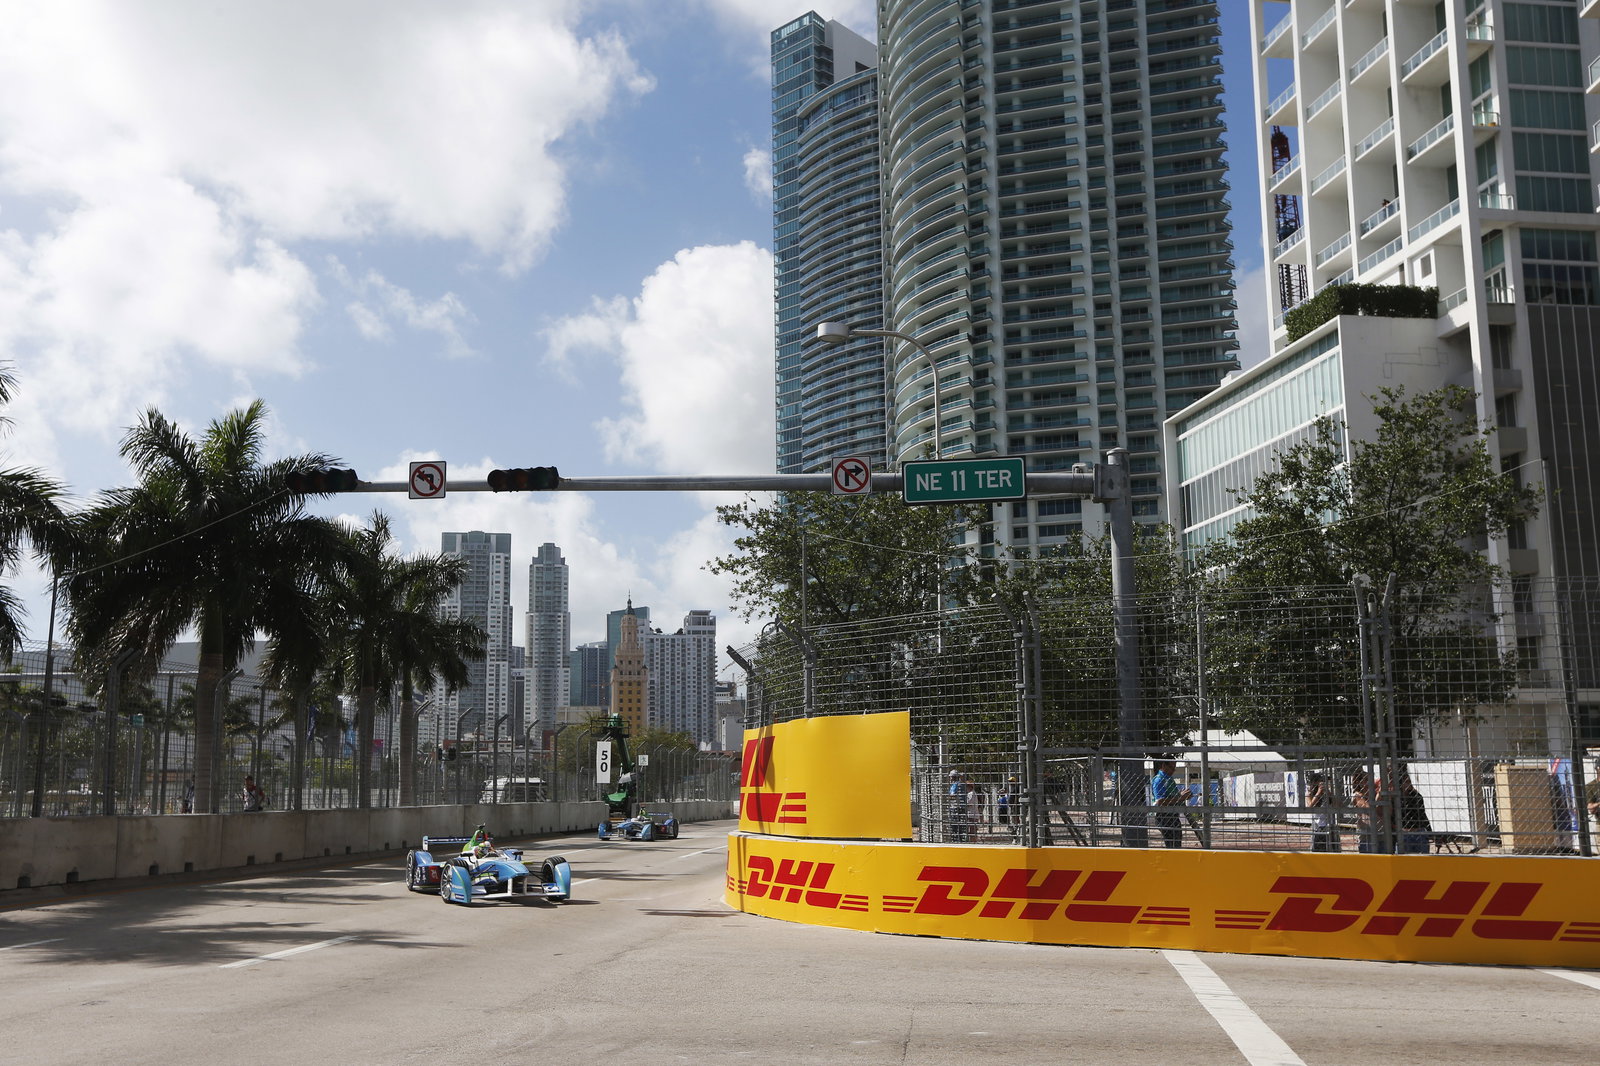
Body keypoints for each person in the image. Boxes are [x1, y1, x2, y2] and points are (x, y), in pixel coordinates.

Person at [1151, 759, 1190, 849]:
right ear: (1164, 765)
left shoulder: (1169, 779)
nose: (1172, 771)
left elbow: (1172, 797)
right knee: (1172, 844)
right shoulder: (1159, 780)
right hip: (1164, 816)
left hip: (1173, 815)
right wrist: (1180, 798)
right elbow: (1160, 801)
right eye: (1171, 767)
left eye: (1174, 768)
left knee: (1176, 842)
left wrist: (1182, 795)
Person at [1396, 766, 1432, 854]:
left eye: (1409, 782)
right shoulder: (1397, 797)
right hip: (1404, 832)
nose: (1409, 784)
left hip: (1418, 831)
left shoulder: (1416, 796)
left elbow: (1422, 814)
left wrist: (1429, 831)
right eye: (1406, 782)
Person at [1306, 772, 1337, 852]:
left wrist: (1328, 792)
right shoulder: (1310, 793)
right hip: (1318, 826)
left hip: (1330, 825)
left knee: (1332, 849)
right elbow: (1310, 806)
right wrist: (1318, 792)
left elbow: (1336, 804)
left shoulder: (1327, 793)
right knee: (1319, 849)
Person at [1350, 769, 1375, 852]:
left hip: (1379, 833)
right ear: (1359, 782)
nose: (1369, 782)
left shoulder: (1373, 793)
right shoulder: (1356, 795)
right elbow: (1368, 807)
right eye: (1366, 780)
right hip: (1366, 835)